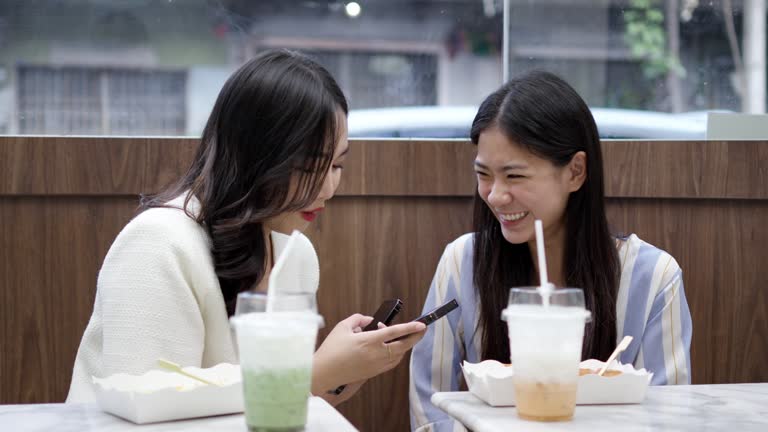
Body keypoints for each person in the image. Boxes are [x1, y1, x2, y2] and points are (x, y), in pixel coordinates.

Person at [66, 49, 426, 405]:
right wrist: (316, 374)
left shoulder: (295, 254)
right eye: (309, 167)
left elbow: (277, 409)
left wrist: (342, 374)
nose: (328, 188)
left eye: (337, 166)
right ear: (254, 156)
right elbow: (148, 408)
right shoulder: (159, 244)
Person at [409, 71, 692, 431]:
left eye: (515, 176)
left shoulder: (654, 278)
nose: (495, 195)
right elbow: (429, 410)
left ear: (575, 171)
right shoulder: (461, 262)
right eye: (484, 175)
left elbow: (671, 417)